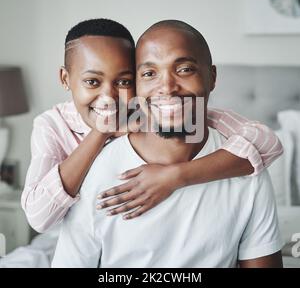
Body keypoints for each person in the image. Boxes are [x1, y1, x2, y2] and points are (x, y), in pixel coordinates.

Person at [51, 20, 283, 268]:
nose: (167, 88)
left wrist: (175, 176)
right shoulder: (98, 169)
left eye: (184, 69)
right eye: (149, 74)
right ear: (136, 85)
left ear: (211, 77)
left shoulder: (246, 166)